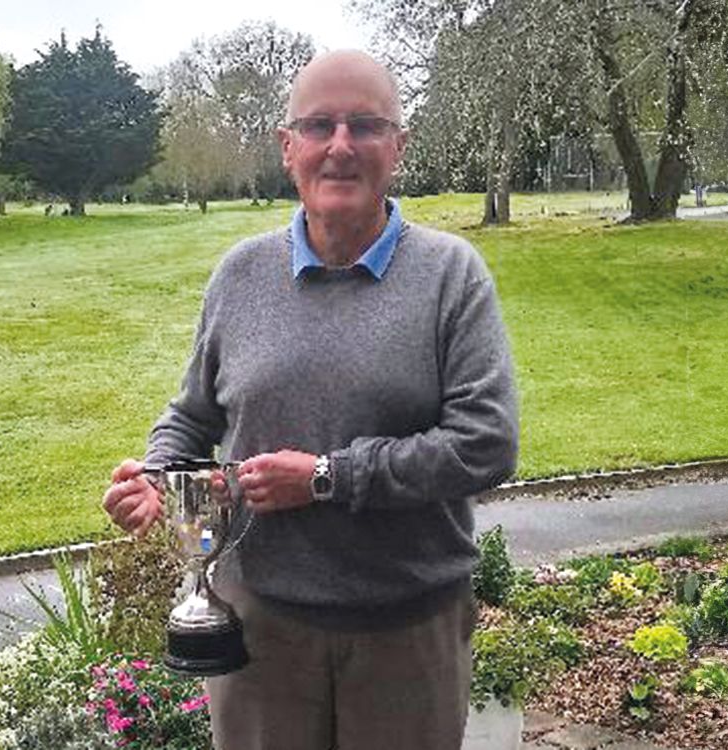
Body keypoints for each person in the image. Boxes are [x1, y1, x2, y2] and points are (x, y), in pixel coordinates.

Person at [103, 49, 518, 750]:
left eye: (366, 125)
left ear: (399, 146)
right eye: (320, 125)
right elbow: (193, 416)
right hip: (261, 634)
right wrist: (156, 478)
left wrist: (328, 477)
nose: (341, 146)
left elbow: (486, 443)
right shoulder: (240, 275)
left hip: (407, 633)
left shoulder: (451, 276)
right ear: (287, 146)